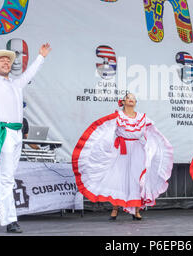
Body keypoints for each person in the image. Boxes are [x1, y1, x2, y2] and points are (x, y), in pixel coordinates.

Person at [0, 10, 51, 233]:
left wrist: (41, 57)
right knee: (6, 179)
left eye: (8, 60)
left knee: (4, 179)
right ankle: (10, 220)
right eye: (1, 60)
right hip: (1, 133)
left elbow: (31, 71)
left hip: (16, 134)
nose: (6, 62)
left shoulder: (15, 83)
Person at [72, 93, 173, 221]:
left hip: (137, 150)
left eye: (133, 98)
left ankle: (136, 210)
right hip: (121, 150)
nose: (131, 99)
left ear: (135, 102)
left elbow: (154, 134)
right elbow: (105, 130)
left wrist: (159, 148)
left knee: (137, 179)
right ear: (123, 101)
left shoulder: (143, 118)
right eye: (128, 97)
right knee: (118, 178)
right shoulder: (117, 116)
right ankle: (115, 210)